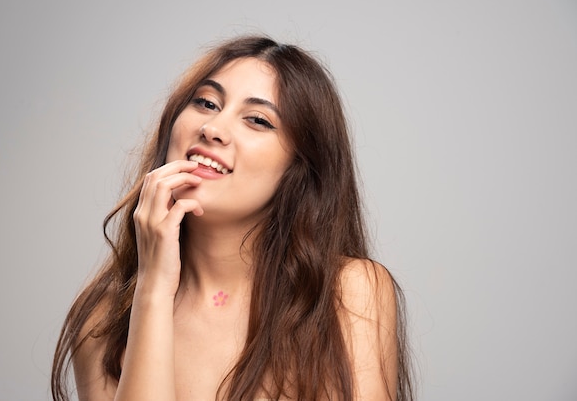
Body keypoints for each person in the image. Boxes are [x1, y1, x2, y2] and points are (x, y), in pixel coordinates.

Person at [51, 35, 414, 401]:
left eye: (257, 120)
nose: (212, 129)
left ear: (300, 169)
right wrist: (153, 291)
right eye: (207, 103)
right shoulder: (102, 320)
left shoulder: (350, 292)